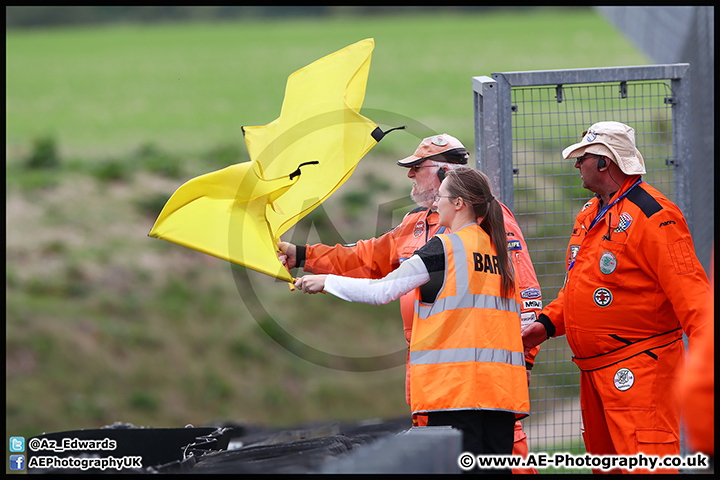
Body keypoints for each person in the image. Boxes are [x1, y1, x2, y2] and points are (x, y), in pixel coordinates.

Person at [279, 134, 541, 472]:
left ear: (448, 180)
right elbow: (367, 257)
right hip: (472, 383)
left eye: (416, 167)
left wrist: (527, 359)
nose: (409, 175)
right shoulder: (434, 226)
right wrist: (303, 255)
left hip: (460, 385)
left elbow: (525, 294)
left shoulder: (470, 234)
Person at [521, 121, 712, 474]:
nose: (576, 165)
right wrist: (545, 326)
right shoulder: (589, 214)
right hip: (594, 371)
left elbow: (695, 300)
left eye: (583, 158)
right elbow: (579, 288)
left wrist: (707, 380)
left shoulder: (656, 217)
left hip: (641, 368)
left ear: (605, 163)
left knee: (648, 465)